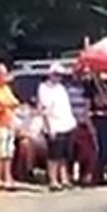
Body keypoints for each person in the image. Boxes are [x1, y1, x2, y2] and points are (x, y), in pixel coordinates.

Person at [35, 62, 77, 191]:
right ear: (50, 74)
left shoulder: (61, 88)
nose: (59, 77)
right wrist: (49, 128)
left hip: (67, 124)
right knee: (54, 155)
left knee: (65, 155)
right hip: (54, 125)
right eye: (56, 74)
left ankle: (64, 179)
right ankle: (53, 180)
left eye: (60, 75)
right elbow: (44, 110)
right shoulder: (44, 89)